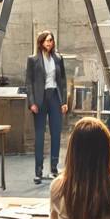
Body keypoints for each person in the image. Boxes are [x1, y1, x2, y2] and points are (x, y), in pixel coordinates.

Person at [26, 30, 68, 184]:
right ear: (41, 42)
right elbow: (28, 83)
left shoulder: (58, 58)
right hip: (39, 99)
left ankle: (54, 169)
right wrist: (32, 103)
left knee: (56, 133)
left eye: (51, 40)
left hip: (55, 97)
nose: (49, 43)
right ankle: (38, 171)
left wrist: (64, 101)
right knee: (40, 135)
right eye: (46, 41)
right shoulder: (33, 60)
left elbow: (62, 81)